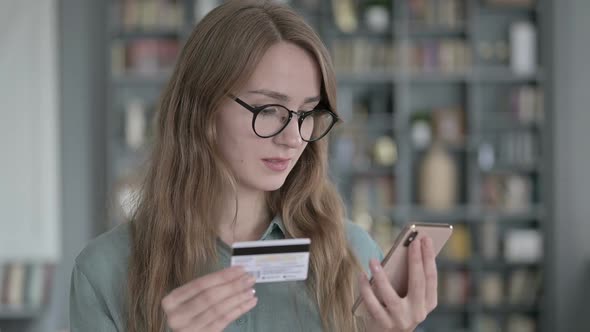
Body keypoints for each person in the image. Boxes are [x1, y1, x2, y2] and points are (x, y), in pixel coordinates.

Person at [69, 1, 438, 331]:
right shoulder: (105, 271)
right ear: (203, 108)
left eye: (307, 113)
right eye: (270, 110)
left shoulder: (355, 255)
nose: (293, 138)